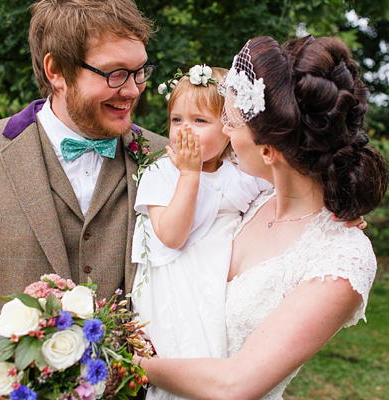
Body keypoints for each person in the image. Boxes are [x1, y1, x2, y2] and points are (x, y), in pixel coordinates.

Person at [0, 0, 167, 368]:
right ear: (56, 70)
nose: (134, 89)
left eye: (140, 71)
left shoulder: (167, 158)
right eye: (114, 73)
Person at [134, 35, 389, 400]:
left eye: (232, 123)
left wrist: (128, 361)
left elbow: (234, 385)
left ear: (268, 150)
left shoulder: (341, 259)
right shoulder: (251, 198)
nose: (222, 131)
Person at [130, 65, 271, 400]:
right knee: (178, 365)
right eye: (177, 119)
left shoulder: (241, 175)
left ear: (228, 128)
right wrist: (189, 175)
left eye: (199, 121)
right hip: (173, 287)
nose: (184, 130)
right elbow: (172, 236)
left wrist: (334, 213)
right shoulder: (160, 173)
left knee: (215, 360)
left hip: (215, 285)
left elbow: (287, 194)